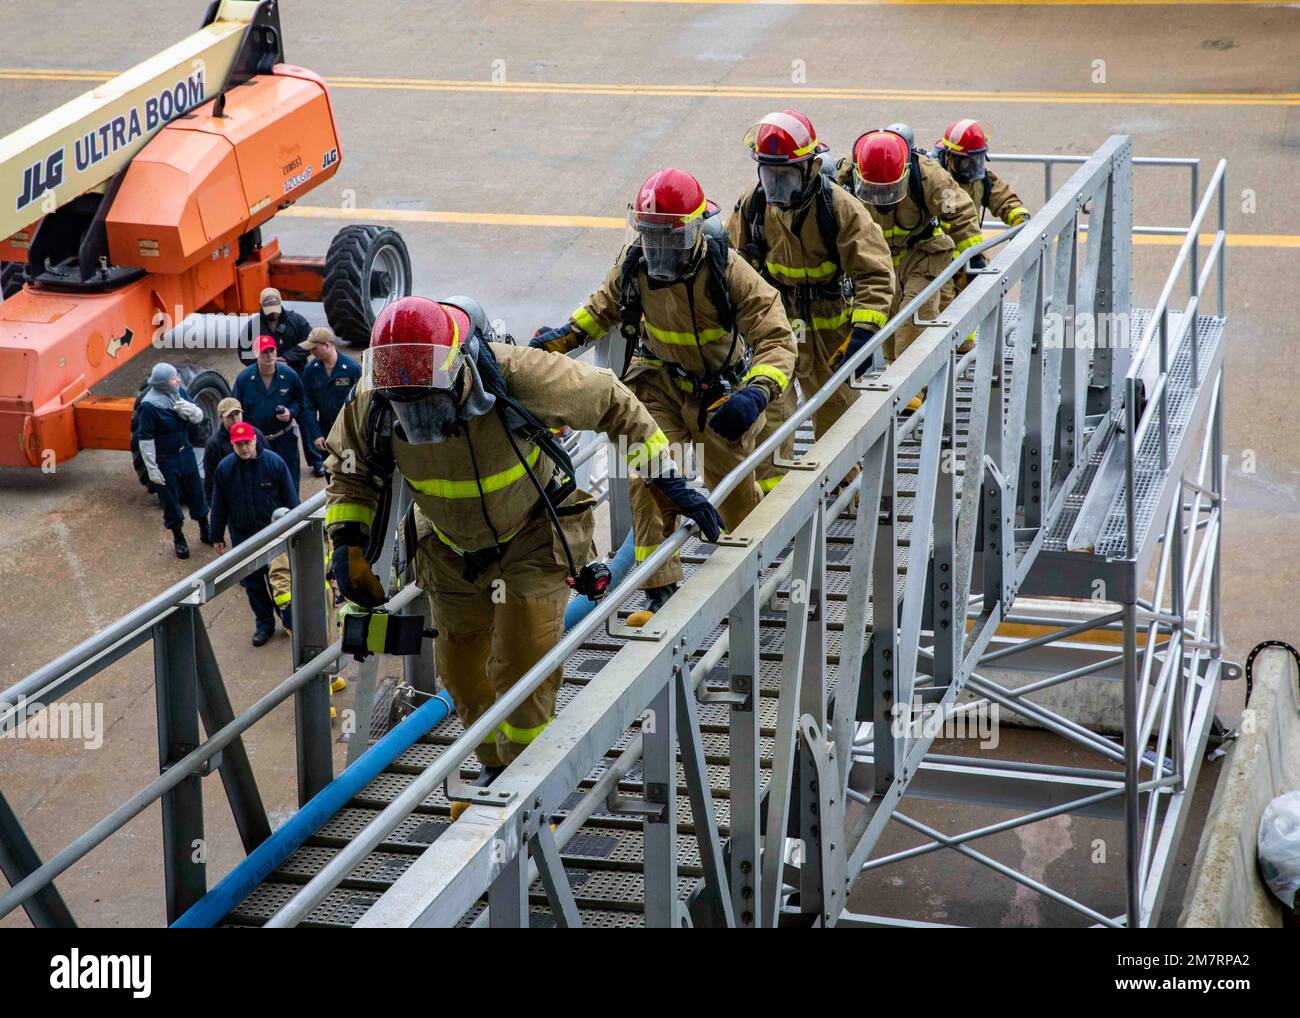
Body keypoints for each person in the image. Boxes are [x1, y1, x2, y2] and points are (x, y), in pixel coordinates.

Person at [325, 296, 722, 816]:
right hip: (447, 551)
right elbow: (351, 472)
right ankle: (494, 766)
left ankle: (528, 800)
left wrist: (668, 479)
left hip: (530, 538)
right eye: (408, 409)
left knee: (521, 663)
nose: (419, 419)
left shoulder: (515, 376)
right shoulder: (375, 397)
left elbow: (612, 401)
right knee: (463, 674)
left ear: (457, 370)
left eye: (428, 404)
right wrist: (347, 547)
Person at [530, 168, 797, 622]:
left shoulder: (727, 270)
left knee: (732, 493)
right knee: (648, 477)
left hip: (719, 395)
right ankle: (661, 593)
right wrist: (559, 340)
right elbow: (600, 310)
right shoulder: (634, 265)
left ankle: (758, 565)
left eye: (669, 238)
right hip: (658, 386)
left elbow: (777, 335)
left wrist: (756, 392)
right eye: (650, 237)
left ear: (694, 232)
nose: (659, 250)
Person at [726, 110, 895, 494]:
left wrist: (864, 333)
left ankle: (845, 488)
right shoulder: (752, 207)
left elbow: (875, 272)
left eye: (784, 175)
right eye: (769, 175)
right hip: (777, 326)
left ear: (812, 167)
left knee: (836, 410)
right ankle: (773, 504)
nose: (775, 185)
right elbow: (729, 268)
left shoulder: (840, 208)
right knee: (771, 413)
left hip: (829, 324)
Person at [836, 129, 984, 388]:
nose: (882, 200)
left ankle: (914, 386)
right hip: (881, 259)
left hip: (923, 252)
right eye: (875, 191)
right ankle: (900, 382)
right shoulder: (846, 178)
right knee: (890, 323)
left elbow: (959, 213)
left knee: (914, 316)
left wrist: (975, 261)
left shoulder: (930, 177)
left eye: (889, 191)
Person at [209, 422, 299, 645]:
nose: (244, 448)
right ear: (233, 445)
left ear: (254, 440)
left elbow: (291, 499)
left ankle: (289, 619)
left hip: (274, 536)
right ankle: (264, 624)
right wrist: (216, 535)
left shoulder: (274, 463)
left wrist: (298, 529)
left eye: (247, 443)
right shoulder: (225, 469)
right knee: (253, 583)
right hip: (243, 537)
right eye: (238, 445)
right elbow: (219, 504)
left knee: (280, 579)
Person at [137, 362, 210, 559]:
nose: (178, 380)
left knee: (195, 490)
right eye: (173, 378)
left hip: (185, 452)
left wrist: (192, 411)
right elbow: (145, 439)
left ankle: (204, 526)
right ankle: (179, 537)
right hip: (165, 459)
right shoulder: (149, 406)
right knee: (170, 498)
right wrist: (152, 468)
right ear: (162, 383)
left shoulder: (179, 393)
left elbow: (197, 417)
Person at [232, 335, 305, 489]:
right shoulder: (244, 379)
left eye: (271, 350)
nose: (269, 355)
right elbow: (236, 408)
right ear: (256, 353)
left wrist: (290, 412)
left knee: (289, 481)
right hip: (257, 443)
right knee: (262, 483)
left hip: (284, 439)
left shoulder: (289, 375)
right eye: (264, 352)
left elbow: (300, 401)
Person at [933, 119, 1031, 229]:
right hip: (944, 245)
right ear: (949, 157)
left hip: (972, 243)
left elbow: (1002, 197)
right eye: (968, 161)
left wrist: (1020, 218)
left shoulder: (981, 180)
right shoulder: (935, 182)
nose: (974, 166)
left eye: (977, 159)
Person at [300, 327, 362, 476]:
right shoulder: (311, 370)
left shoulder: (352, 369)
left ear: (327, 345)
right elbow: (307, 405)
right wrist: (315, 434)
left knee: (349, 475)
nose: (311, 352)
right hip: (325, 435)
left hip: (348, 434)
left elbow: (362, 403)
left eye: (314, 348)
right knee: (330, 475)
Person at [203, 397, 267, 505]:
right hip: (232, 498)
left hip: (259, 493)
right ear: (221, 418)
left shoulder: (255, 434)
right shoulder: (213, 444)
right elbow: (210, 477)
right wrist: (213, 502)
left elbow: (268, 461)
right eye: (230, 416)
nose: (235, 418)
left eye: (237, 414)